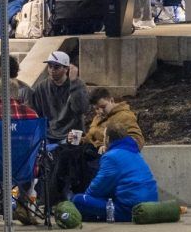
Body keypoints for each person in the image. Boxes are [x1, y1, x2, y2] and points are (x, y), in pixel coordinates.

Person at [30, 50, 94, 201]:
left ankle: (60, 196)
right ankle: (46, 197)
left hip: (72, 134)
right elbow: (38, 115)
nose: (52, 70)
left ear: (67, 69)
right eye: (50, 66)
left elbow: (82, 108)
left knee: (67, 156)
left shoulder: (77, 85)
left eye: (57, 67)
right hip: (50, 135)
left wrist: (74, 83)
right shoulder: (41, 88)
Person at [71, 121, 159, 222]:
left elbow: (98, 188)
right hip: (151, 204)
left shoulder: (111, 157)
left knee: (78, 200)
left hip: (130, 209)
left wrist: (86, 197)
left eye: (104, 137)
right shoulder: (134, 152)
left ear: (107, 139)